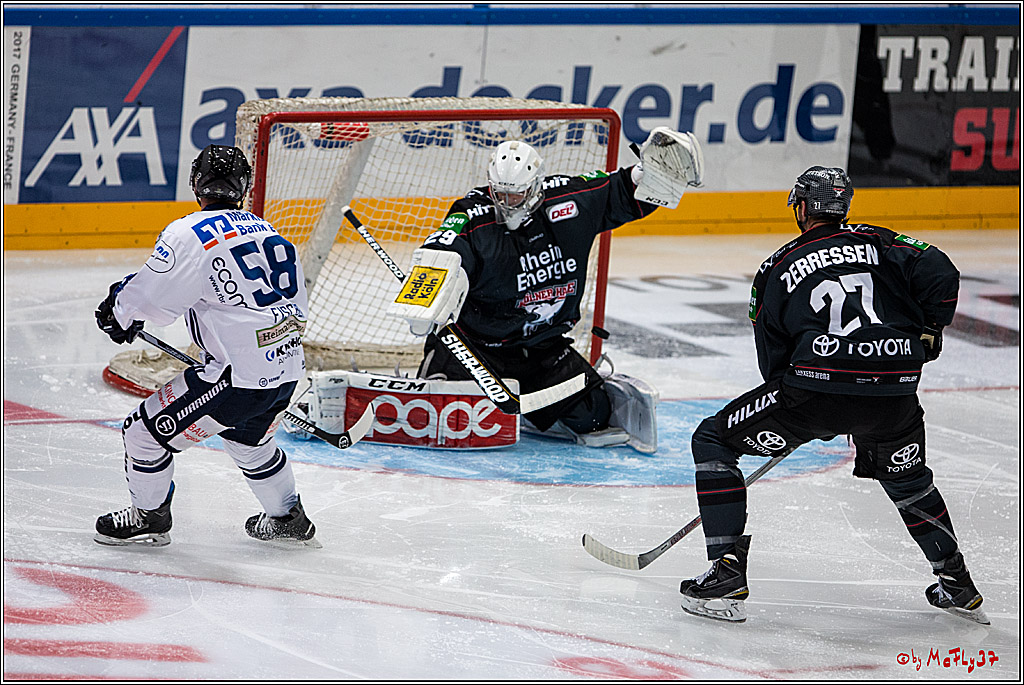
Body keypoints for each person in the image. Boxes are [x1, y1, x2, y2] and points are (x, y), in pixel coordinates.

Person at [677, 166, 987, 625]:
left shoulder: (777, 265)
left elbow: (773, 358)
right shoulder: (882, 241)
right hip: (894, 392)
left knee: (713, 440)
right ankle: (957, 582)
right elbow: (942, 271)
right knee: (908, 481)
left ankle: (725, 573)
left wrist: (804, 410)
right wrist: (930, 329)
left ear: (802, 208)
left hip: (813, 392)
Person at [386, 129, 704, 453]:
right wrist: (424, 295)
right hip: (476, 348)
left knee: (594, 417)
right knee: (445, 417)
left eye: (516, 195)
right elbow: (443, 250)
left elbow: (621, 191)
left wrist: (650, 175)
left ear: (535, 186)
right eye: (500, 193)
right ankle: (443, 374)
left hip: (541, 349)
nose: (506, 203)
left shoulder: (569, 201)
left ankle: (531, 411)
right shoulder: (473, 215)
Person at [93, 144, 318, 548]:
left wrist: (121, 312)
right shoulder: (270, 232)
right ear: (244, 187)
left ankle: (150, 517)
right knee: (249, 443)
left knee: (143, 434)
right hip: (286, 369)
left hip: (236, 376)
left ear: (196, 183)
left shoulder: (188, 232)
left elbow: (152, 300)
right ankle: (289, 520)